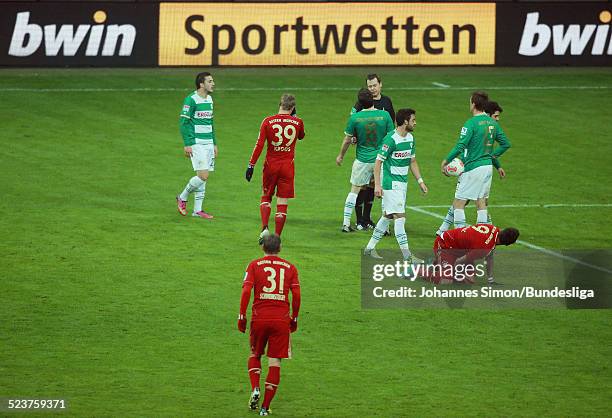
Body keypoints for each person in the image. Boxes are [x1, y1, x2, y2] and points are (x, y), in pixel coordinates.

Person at [238, 234, 300, 416]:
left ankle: (255, 388)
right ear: (279, 248)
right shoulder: (290, 267)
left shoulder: (254, 265)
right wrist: (294, 318)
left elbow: (246, 290)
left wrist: (241, 316)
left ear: (262, 247)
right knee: (275, 361)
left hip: (259, 317)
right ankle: (265, 408)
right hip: (281, 320)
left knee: (255, 354)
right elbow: (296, 295)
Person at [437, 92, 511, 236]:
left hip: (473, 168)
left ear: (474, 104)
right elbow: (505, 144)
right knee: (481, 201)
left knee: (459, 202)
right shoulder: (492, 123)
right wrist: (490, 156)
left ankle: (460, 237)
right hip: (487, 168)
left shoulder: (471, 123)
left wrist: (446, 160)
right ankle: (482, 236)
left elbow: (460, 145)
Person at [364, 109, 428, 263]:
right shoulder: (391, 140)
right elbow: (378, 162)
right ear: (405, 122)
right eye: (413, 120)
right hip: (391, 184)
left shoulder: (411, 138)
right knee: (400, 217)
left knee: (387, 216)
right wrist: (378, 185)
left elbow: (412, 161)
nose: (415, 122)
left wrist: (420, 181)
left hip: (402, 184)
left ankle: (369, 248)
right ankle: (408, 257)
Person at [246, 94, 305, 242]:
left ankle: (265, 228)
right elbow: (301, 136)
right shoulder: (298, 122)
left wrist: (251, 165)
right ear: (292, 108)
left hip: (270, 166)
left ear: (280, 104)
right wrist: (294, 117)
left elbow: (259, 145)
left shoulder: (268, 121)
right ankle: (277, 237)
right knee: (282, 202)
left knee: (266, 196)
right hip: (288, 167)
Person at [337, 88, 394, 232]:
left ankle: (345, 223)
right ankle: (385, 228)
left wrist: (341, 155)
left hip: (362, 160)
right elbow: (391, 138)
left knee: (354, 191)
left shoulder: (355, 118)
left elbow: (347, 140)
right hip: (380, 160)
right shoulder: (385, 115)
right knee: (384, 192)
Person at [350, 74, 396, 230]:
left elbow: (392, 125)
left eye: (374, 85)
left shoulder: (386, 102)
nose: (372, 89)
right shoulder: (360, 103)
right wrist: (354, 137)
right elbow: (353, 122)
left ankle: (367, 218)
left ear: (380, 85)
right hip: (365, 152)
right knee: (361, 186)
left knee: (372, 186)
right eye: (369, 86)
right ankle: (359, 219)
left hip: (381, 152)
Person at [176, 72, 218, 219]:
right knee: (203, 175)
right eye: (210, 81)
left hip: (208, 143)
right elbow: (183, 123)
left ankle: (197, 210)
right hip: (197, 143)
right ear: (201, 84)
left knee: (204, 176)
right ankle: (182, 197)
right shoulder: (191, 100)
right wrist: (188, 144)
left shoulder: (210, 99)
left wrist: (214, 143)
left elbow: (210, 122)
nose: (213, 83)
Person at [426, 224, 520, 284]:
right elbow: (458, 262)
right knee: (446, 281)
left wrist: (490, 279)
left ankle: (438, 265)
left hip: (459, 248)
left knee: (469, 280)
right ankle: (419, 270)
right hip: (444, 245)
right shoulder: (483, 249)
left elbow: (489, 257)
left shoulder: (494, 229)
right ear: (507, 244)